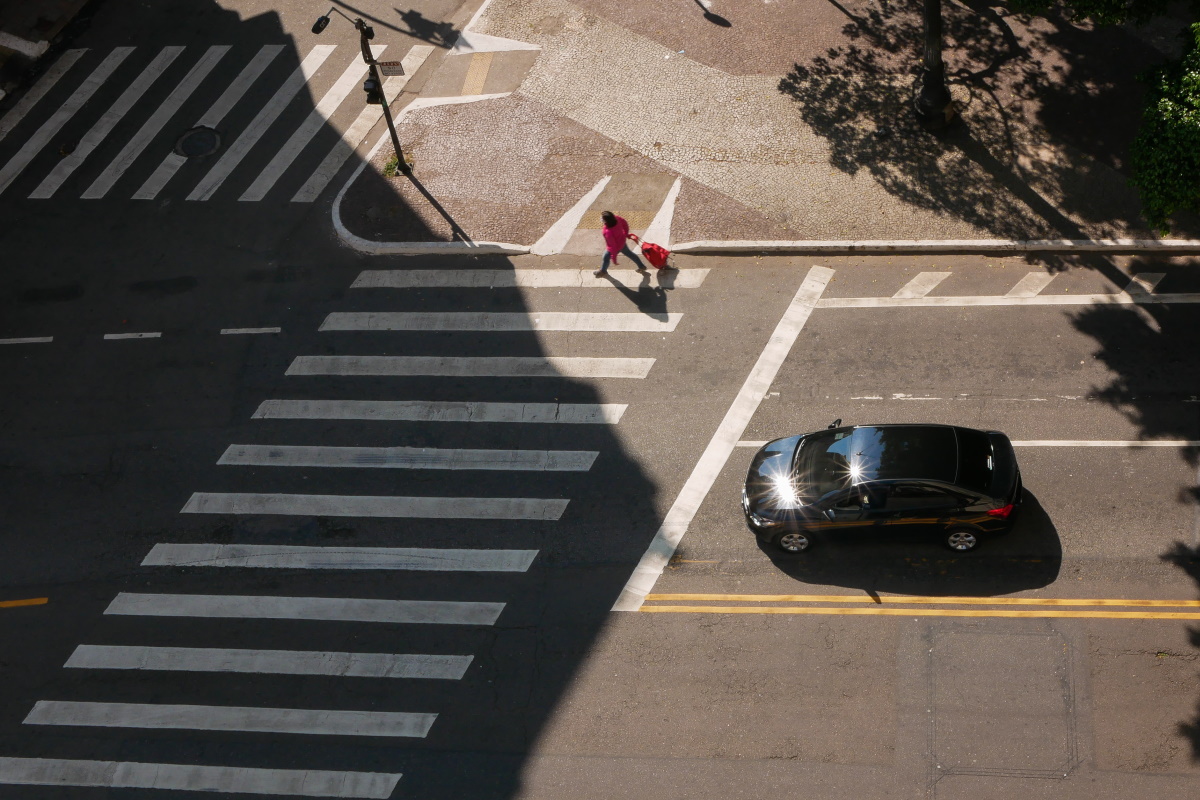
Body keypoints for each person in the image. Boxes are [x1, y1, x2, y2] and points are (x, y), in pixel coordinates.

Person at [594, 210, 649, 276]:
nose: (601, 219)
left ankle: (603, 271)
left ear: (607, 221)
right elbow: (625, 223)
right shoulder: (617, 218)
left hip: (617, 247)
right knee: (630, 254)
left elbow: (612, 246)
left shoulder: (608, 232)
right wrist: (625, 233)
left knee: (605, 257)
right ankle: (641, 266)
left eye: (602, 218)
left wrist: (614, 259)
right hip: (622, 242)